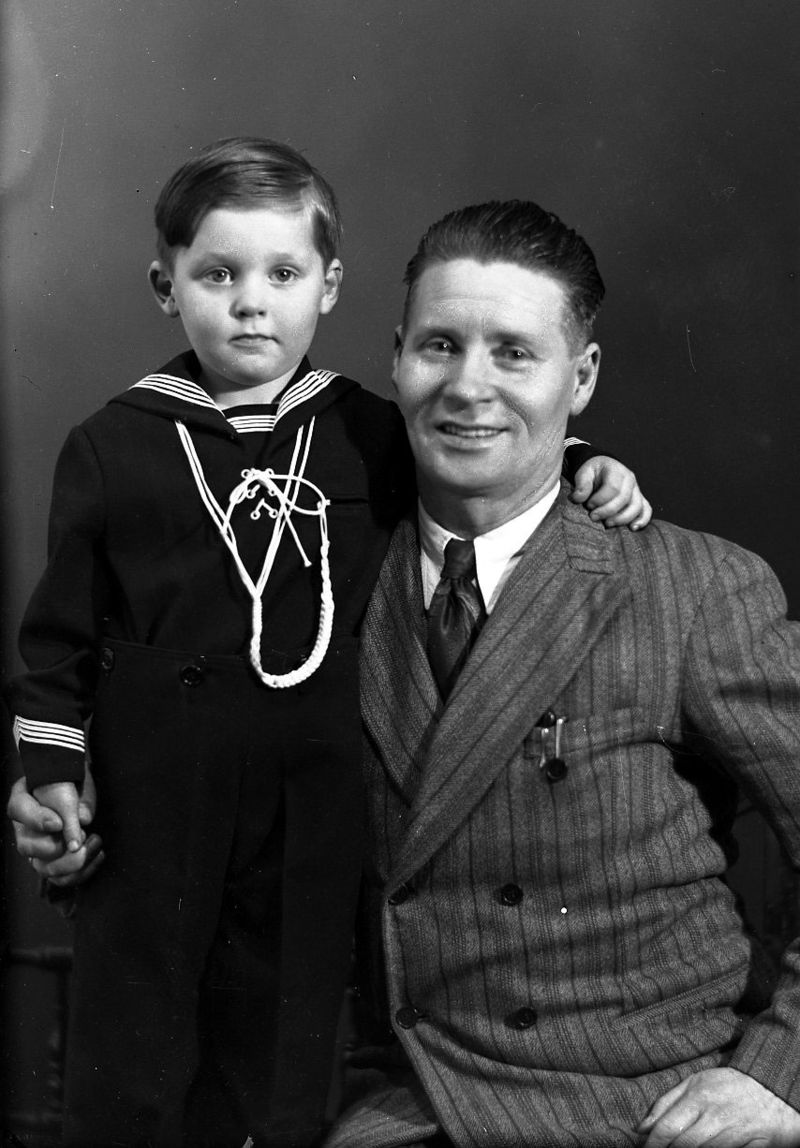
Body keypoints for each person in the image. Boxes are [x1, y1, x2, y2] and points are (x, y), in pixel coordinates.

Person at [4, 141, 649, 1148]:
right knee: (134, 1040)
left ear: (330, 286)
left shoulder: (364, 429)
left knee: (282, 1040)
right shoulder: (112, 442)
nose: (250, 305)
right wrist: (52, 773)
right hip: (155, 783)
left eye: (282, 274)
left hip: (311, 782)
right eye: (217, 275)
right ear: (166, 287)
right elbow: (58, 638)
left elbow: (480, 451)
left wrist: (585, 462)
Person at [316, 201, 800, 1147]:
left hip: (642, 1105)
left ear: (581, 378)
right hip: (410, 1104)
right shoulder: (322, 584)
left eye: (514, 354)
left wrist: (781, 1079)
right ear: (396, 359)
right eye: (441, 346)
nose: (469, 387)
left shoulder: (694, 587)